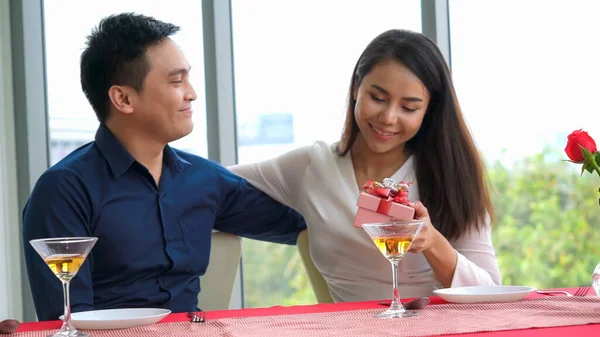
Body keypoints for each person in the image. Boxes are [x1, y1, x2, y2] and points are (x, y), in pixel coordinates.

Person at [22, 13, 306, 321]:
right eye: (176, 80)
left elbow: (306, 223)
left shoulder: (203, 178)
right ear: (123, 98)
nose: (192, 93)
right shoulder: (63, 191)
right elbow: (67, 320)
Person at [229, 29, 501, 302]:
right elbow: (211, 181)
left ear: (428, 110)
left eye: (408, 108)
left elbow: (490, 293)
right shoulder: (313, 166)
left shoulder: (451, 173)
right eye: (378, 98)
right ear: (357, 87)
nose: (388, 117)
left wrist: (432, 242)